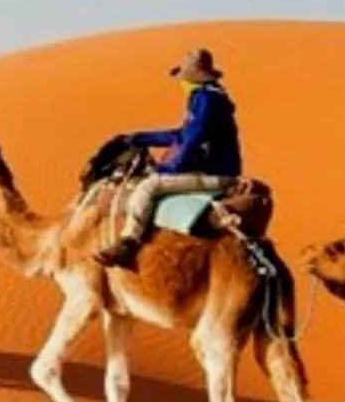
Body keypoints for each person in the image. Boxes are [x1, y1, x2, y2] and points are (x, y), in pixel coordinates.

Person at [94, 49, 244, 268]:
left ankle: (129, 243)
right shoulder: (207, 97)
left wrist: (168, 169)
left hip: (216, 173)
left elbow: (192, 139)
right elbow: (182, 135)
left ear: (191, 77)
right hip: (214, 168)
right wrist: (141, 139)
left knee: (148, 186)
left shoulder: (206, 100)